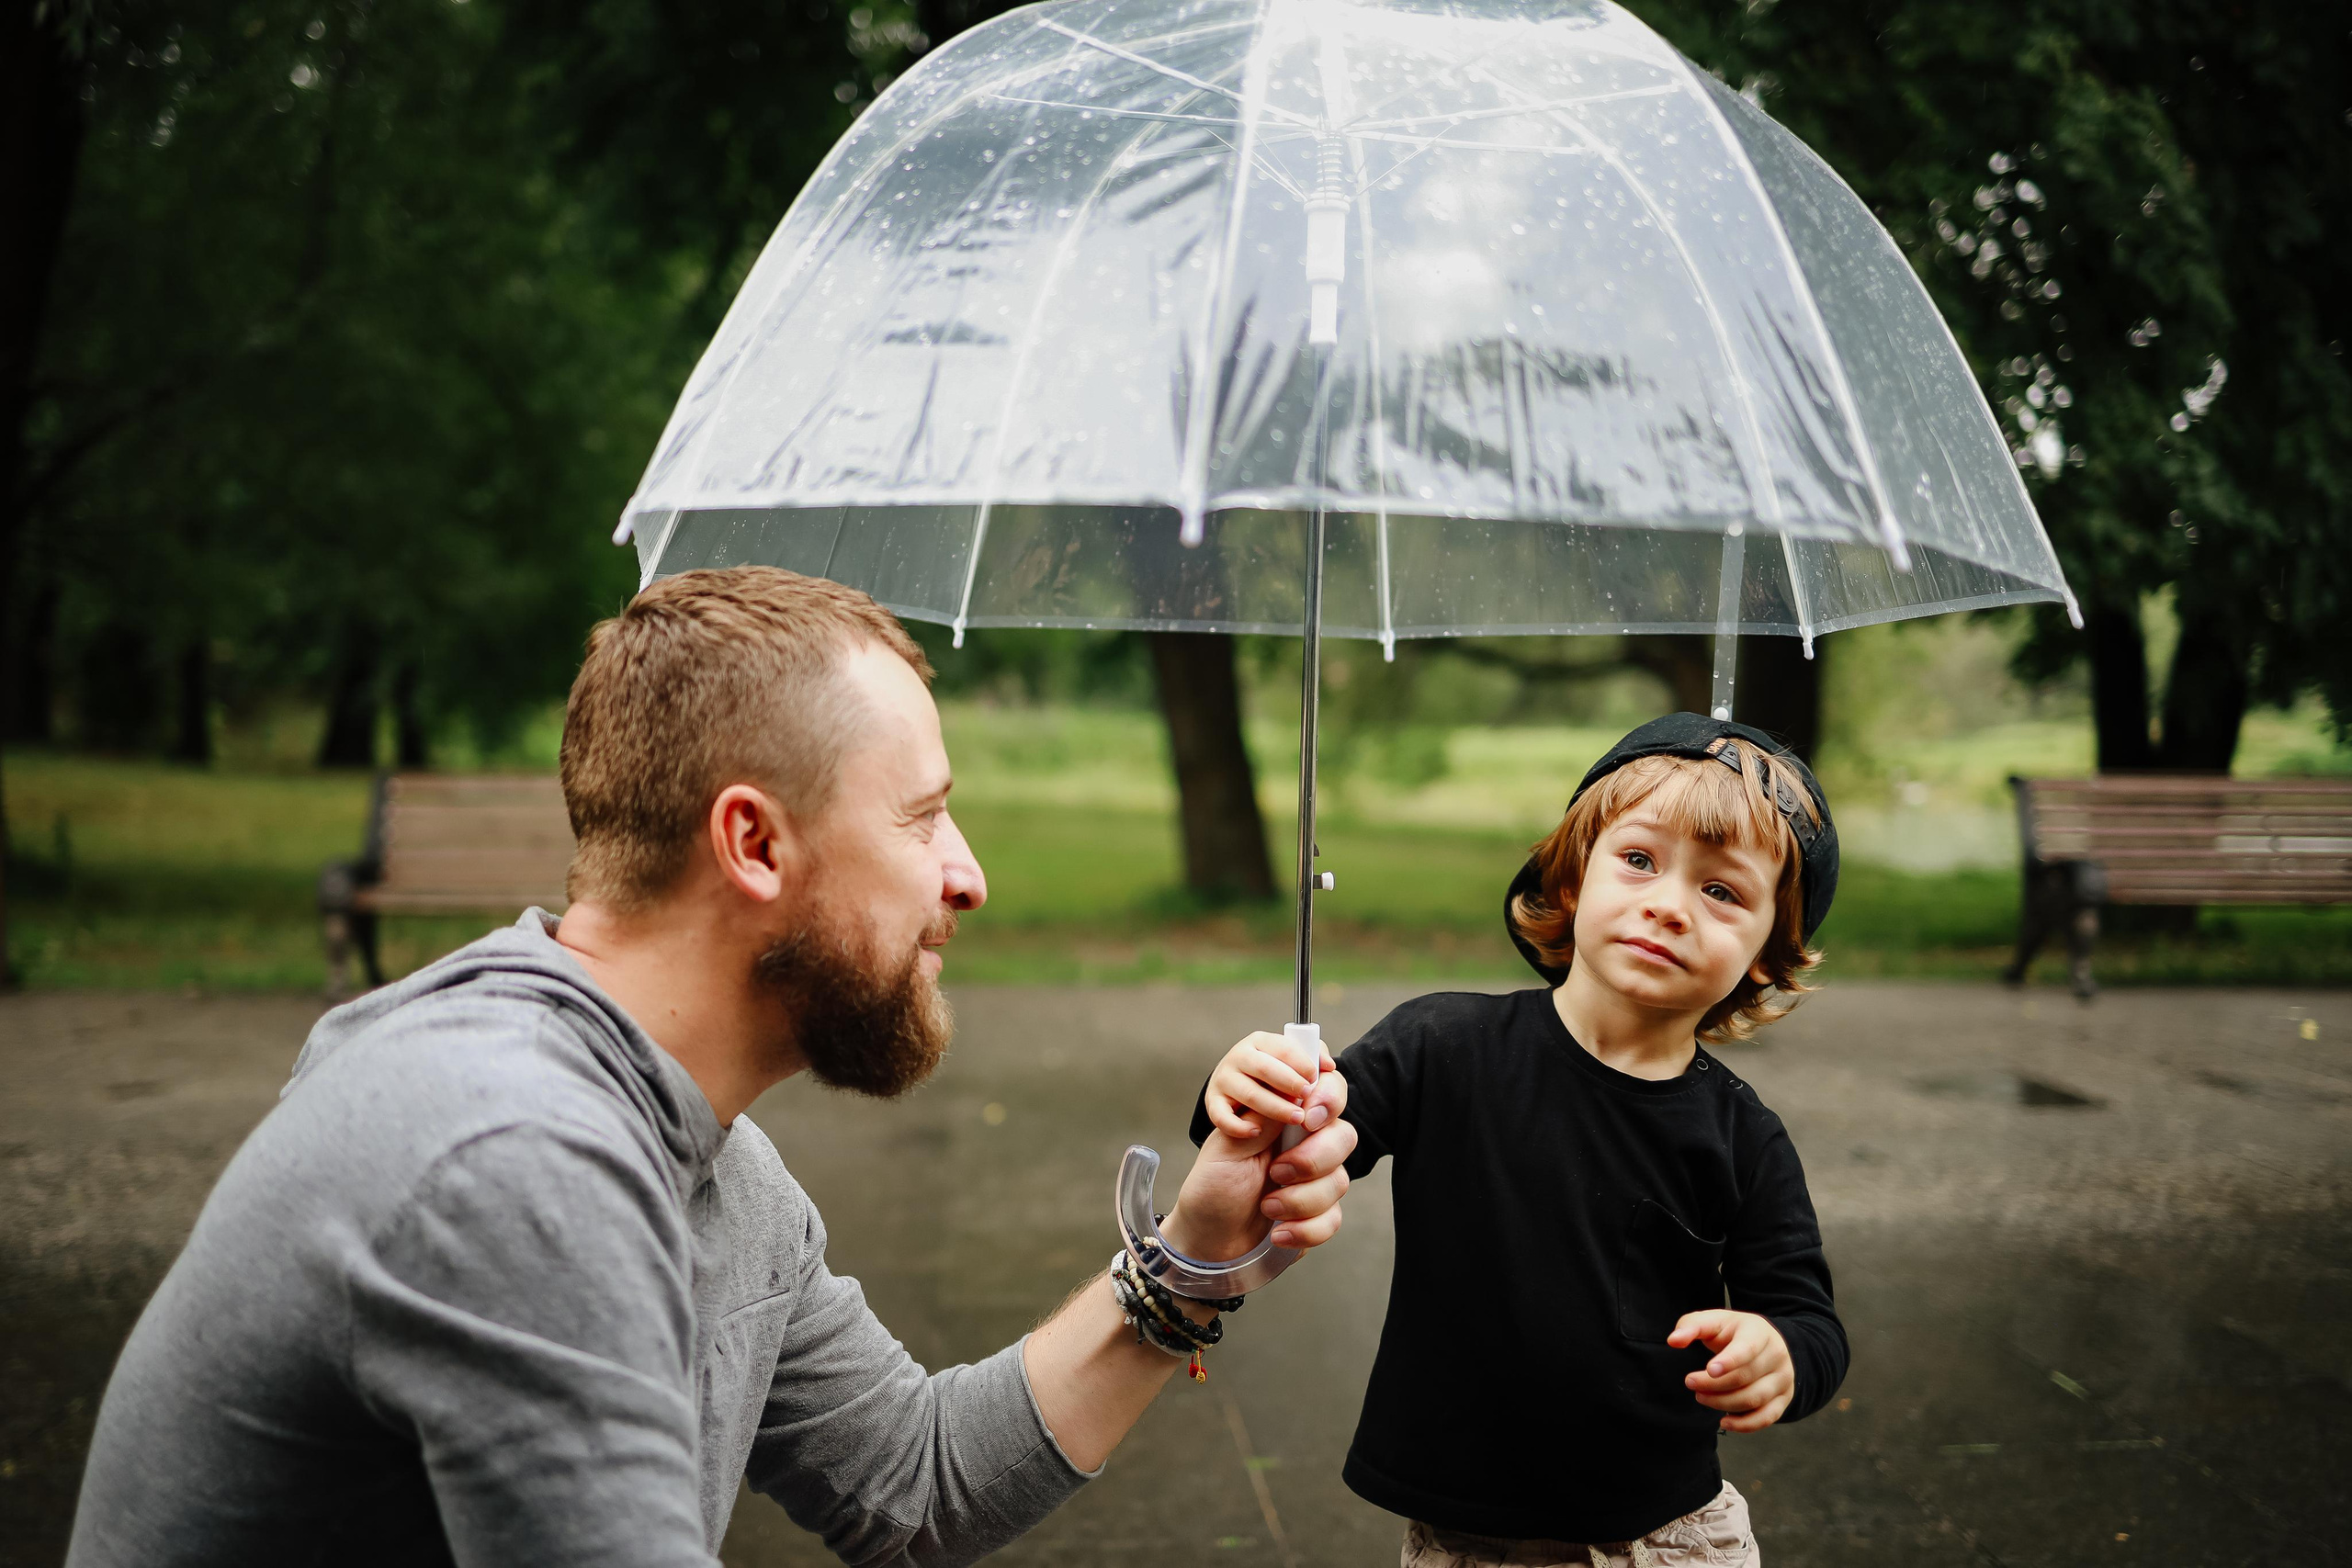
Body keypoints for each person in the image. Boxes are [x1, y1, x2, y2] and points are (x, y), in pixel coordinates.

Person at [66, 566, 1357, 1568]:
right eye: (920, 816)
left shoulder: (696, 1142)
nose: (969, 873)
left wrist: (1191, 1251)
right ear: (753, 841)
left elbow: (913, 1484)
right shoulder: (508, 1158)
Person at [1193, 713, 1850, 1568]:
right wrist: (1243, 1097)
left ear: (1768, 952)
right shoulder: (1442, 1047)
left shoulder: (1744, 1137)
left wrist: (1783, 1355)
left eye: (1722, 891)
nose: (1668, 904)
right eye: (1640, 859)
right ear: (1574, 876)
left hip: (1669, 1537)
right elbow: (1297, 1140)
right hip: (1466, 1539)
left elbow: (1811, 1321)